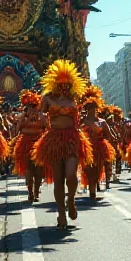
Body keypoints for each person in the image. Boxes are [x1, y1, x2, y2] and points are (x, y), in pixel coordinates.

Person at [32, 59, 93, 229]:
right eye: (61, 83)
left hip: (72, 138)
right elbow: (41, 113)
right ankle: (61, 214)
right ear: (55, 83)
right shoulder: (47, 98)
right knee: (58, 180)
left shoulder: (74, 98)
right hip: (54, 139)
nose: (65, 86)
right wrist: (43, 118)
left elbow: (78, 117)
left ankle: (71, 200)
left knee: (71, 175)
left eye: (68, 83)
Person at [80, 86, 117, 198]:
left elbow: (109, 135)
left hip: (99, 149)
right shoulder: (82, 121)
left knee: (97, 170)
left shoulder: (102, 122)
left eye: (94, 107)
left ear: (97, 109)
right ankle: (91, 188)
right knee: (88, 171)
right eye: (90, 107)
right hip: (87, 149)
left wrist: (113, 139)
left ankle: (93, 189)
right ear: (86, 108)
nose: (92, 109)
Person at [13, 89, 47, 202]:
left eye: (34, 105)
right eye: (29, 105)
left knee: (39, 170)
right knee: (28, 169)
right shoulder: (23, 117)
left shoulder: (42, 116)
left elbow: (46, 128)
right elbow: (17, 131)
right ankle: (30, 192)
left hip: (38, 144)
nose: (32, 108)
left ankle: (36, 191)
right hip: (25, 144)